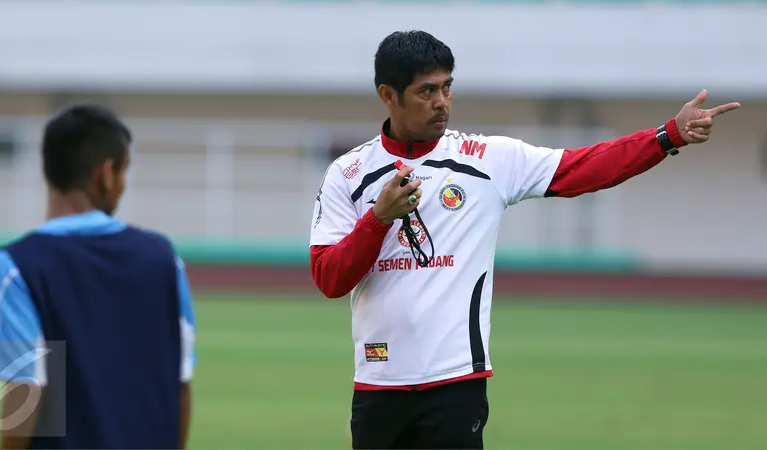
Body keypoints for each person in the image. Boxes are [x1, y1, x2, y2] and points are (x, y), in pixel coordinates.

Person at [308, 30, 740, 450]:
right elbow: (329, 278)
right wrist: (378, 219)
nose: (441, 102)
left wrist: (667, 135)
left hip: (457, 383)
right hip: (378, 385)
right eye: (426, 92)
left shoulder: (485, 159)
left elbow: (582, 167)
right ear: (388, 95)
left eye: (447, 87)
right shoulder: (347, 174)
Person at [0, 104, 196, 449]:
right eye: (124, 170)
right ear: (106, 173)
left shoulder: (17, 267)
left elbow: (26, 388)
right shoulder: (163, 260)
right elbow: (180, 383)